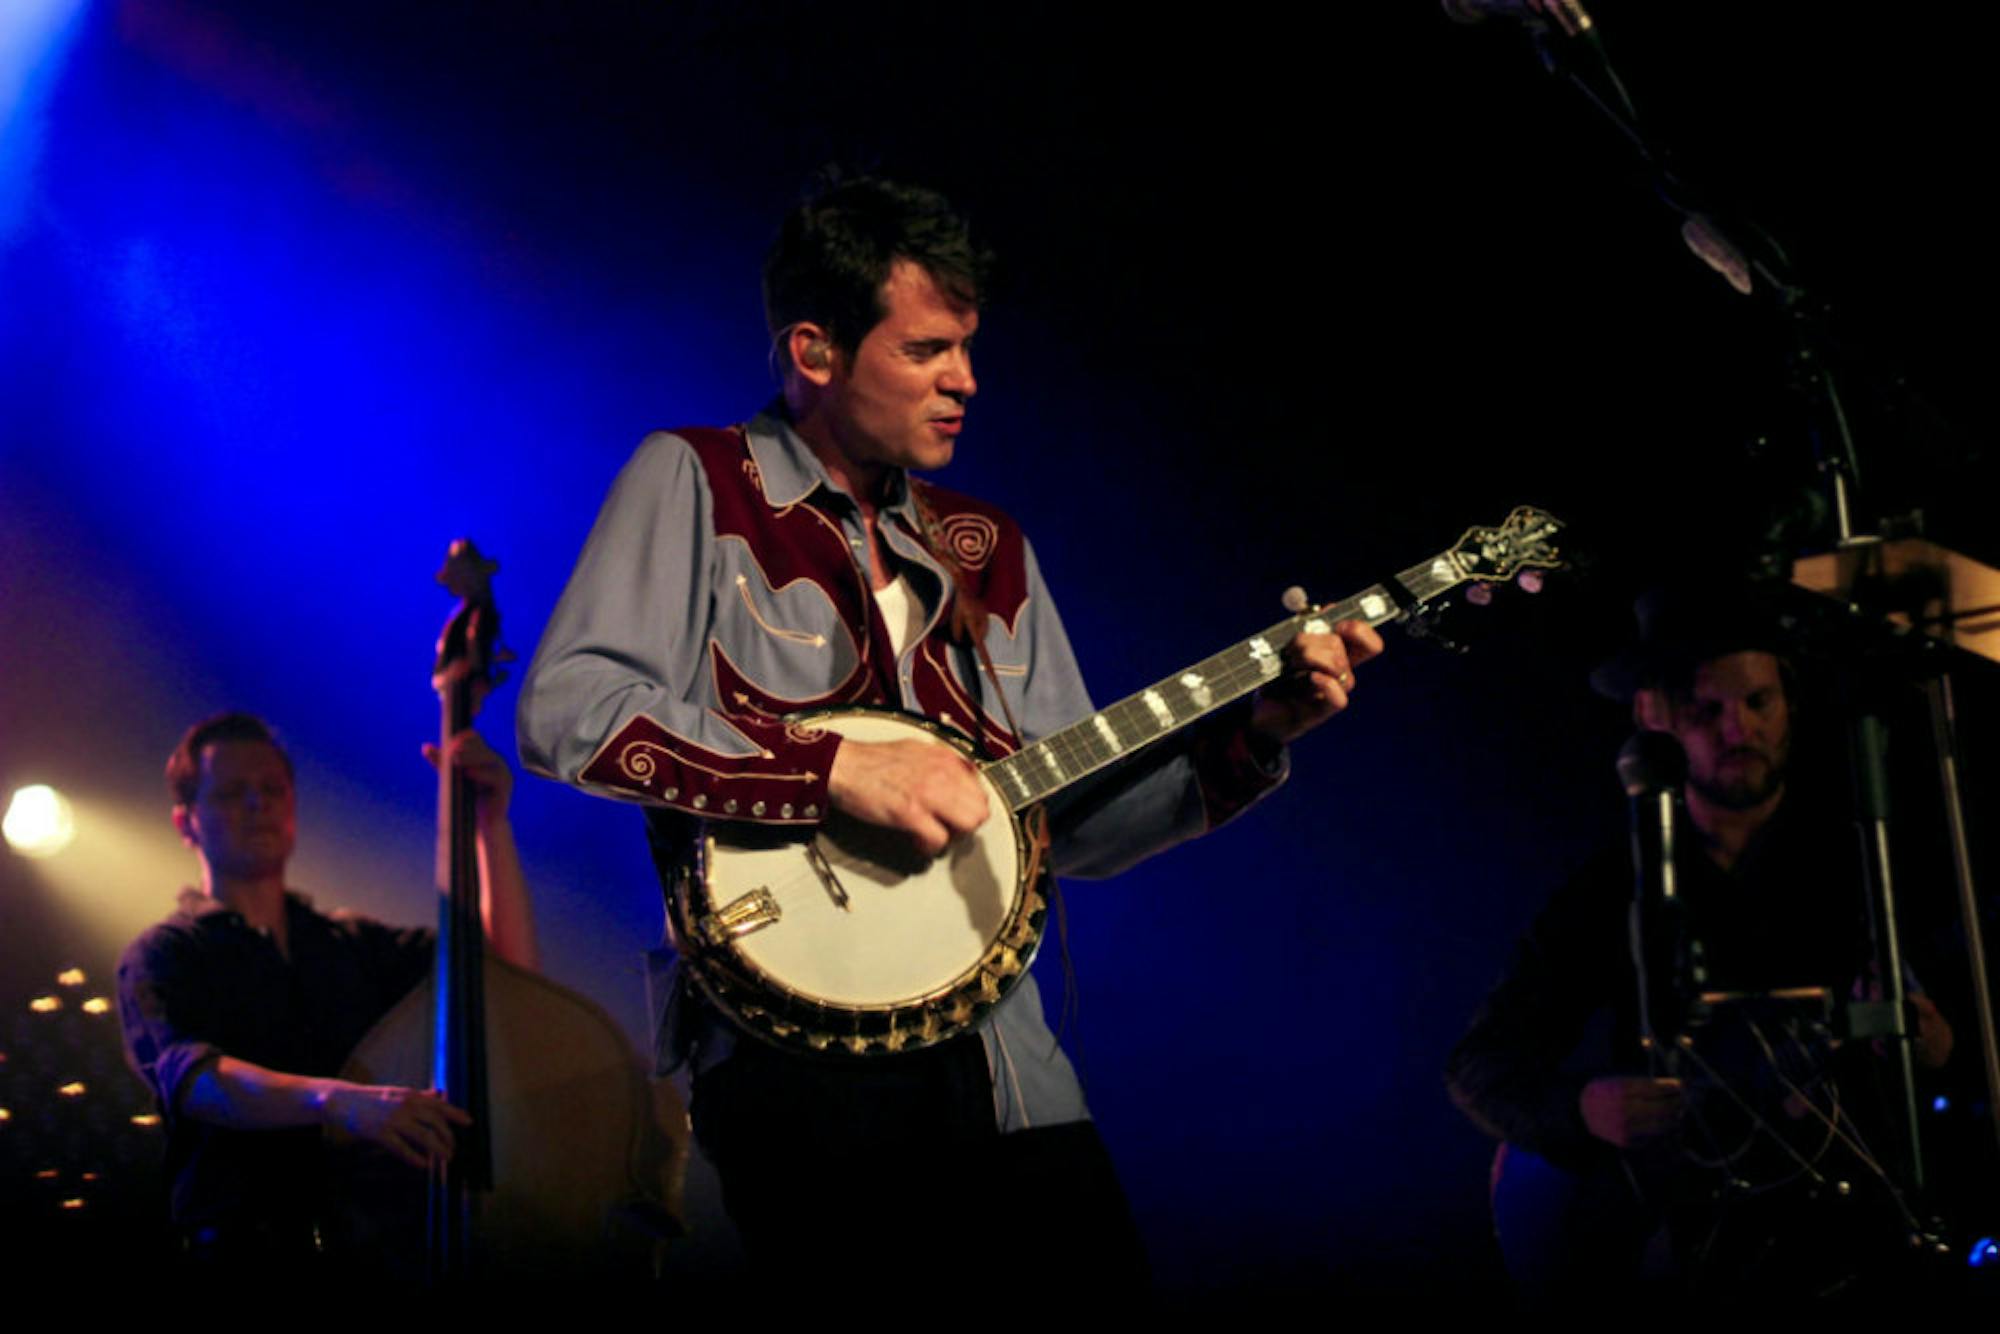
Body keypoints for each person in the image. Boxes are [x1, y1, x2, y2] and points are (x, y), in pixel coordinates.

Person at [515, 175, 1382, 1278]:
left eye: (966, 348)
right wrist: (831, 768)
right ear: (815, 351)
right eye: (926, 349)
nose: (965, 380)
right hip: (799, 1068)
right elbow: (567, 712)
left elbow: (1073, 825)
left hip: (1008, 1070)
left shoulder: (988, 545)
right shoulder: (695, 481)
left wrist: (1260, 729)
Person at [1444, 586, 1954, 1297]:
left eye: (1758, 702)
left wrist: (1935, 1047)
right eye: (1705, 711)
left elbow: (1949, 1044)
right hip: (1679, 1241)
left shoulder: (1863, 863)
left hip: (1848, 1240)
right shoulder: (1611, 885)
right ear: (1655, 720)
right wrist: (1584, 1109)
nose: (1737, 730)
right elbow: (1482, 1065)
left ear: (1789, 704)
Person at [117, 712, 538, 1264]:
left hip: (375, 1254)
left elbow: (508, 977)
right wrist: (339, 1102)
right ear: (185, 822)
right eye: (232, 793)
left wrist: (489, 827)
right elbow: (198, 1081)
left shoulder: (351, 942)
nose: (257, 804)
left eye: (272, 789)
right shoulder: (166, 954)